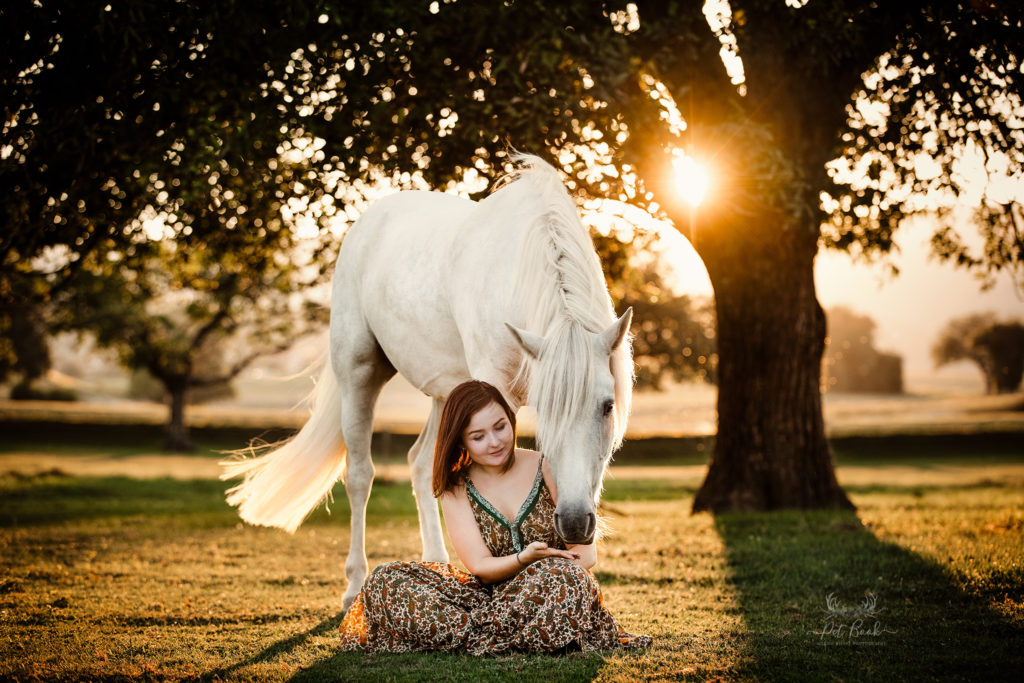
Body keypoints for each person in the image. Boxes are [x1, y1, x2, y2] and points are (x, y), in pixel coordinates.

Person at [338, 379, 651, 655]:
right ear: (460, 440)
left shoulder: (547, 464)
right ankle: (505, 634)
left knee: (565, 579)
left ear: (511, 419)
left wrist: (539, 570)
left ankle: (468, 636)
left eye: (500, 426)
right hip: (483, 599)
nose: (495, 442)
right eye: (478, 436)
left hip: (551, 591)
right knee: (385, 579)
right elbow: (481, 568)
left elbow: (585, 555)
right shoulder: (455, 485)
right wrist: (523, 559)